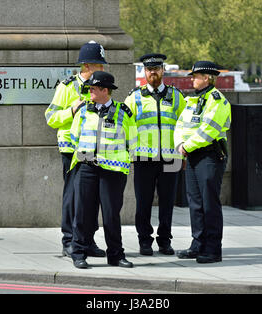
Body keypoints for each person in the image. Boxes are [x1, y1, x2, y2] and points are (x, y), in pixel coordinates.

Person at [69, 71, 138, 269]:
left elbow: (132, 141)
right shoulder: (83, 111)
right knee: (82, 212)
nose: (89, 91)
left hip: (113, 172)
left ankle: (116, 255)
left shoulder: (123, 113)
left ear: (105, 90)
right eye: (89, 88)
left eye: (93, 88)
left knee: (111, 215)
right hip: (86, 168)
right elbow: (74, 137)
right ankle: (79, 253)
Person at [45, 41, 106, 258]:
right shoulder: (66, 87)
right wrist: (71, 110)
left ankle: (87, 240)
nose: (103, 69)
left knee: (91, 197)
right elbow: (50, 117)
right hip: (71, 150)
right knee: (72, 196)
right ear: (87, 66)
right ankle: (69, 240)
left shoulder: (101, 87)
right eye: (100, 65)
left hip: (93, 150)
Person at [124, 53, 186, 256]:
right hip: (143, 158)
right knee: (143, 202)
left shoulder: (176, 96)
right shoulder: (134, 97)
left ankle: (165, 241)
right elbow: (126, 126)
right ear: (144, 71)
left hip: (171, 158)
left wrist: (184, 152)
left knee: (167, 203)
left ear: (163, 70)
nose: (153, 72)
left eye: (156, 68)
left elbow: (185, 126)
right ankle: (144, 241)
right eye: (149, 69)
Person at [174, 61, 231, 263]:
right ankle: (198, 244)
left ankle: (213, 249)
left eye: (195, 76)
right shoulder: (193, 100)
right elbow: (180, 124)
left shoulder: (217, 101)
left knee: (209, 203)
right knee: (195, 203)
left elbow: (208, 131)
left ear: (206, 78)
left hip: (209, 156)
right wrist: (180, 143)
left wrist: (186, 146)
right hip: (192, 155)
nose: (192, 79)